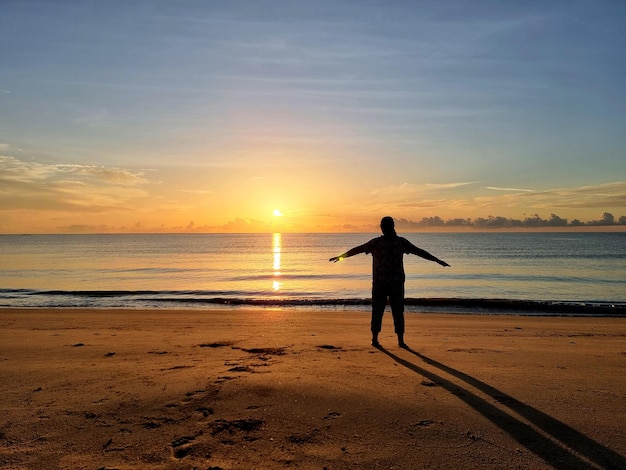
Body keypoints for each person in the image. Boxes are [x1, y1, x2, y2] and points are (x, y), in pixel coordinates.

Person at [329, 216, 450, 348]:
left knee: (379, 311)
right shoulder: (399, 242)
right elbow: (419, 252)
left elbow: (358, 249)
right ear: (393, 226)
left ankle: (376, 340)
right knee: (396, 311)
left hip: (381, 283)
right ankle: (399, 341)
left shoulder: (379, 243)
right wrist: (437, 260)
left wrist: (341, 257)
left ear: (382, 227)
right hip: (396, 283)